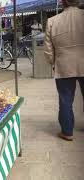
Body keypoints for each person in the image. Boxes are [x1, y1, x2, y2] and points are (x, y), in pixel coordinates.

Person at [44, 0, 84, 141]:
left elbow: (48, 50)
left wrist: (53, 63)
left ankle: (67, 132)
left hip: (64, 64)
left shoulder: (52, 21)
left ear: (63, 2)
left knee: (66, 99)